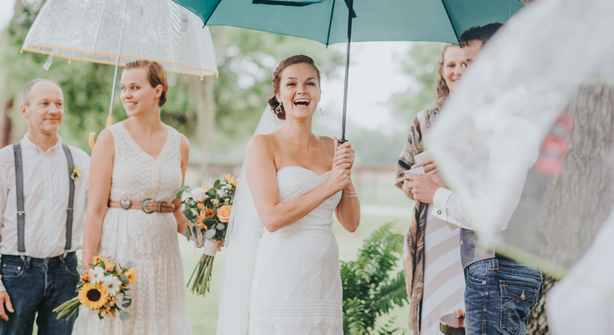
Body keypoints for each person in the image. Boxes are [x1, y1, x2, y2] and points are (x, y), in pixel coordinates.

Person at [406, 23, 543, 335]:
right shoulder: (502, 121)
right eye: (461, 64)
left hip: (498, 270)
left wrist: (436, 194)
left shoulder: (512, 126)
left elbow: (493, 217)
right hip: (493, 273)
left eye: (472, 64)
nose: (464, 74)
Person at [219, 54, 360, 335]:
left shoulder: (335, 147)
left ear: (319, 94)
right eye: (291, 83)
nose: (301, 90)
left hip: (324, 278)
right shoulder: (262, 145)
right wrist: (329, 185)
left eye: (310, 84)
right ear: (278, 95)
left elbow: (351, 223)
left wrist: (346, 175)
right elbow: (271, 218)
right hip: (282, 272)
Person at [73, 60, 193, 334]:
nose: (126, 94)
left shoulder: (180, 143)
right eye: (123, 88)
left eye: (135, 87)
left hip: (164, 256)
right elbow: (95, 210)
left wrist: (202, 232)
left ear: (158, 91)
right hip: (119, 251)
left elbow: (176, 207)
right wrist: (90, 267)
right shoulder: (109, 138)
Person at [0, 79, 90, 335]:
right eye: (45, 103)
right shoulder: (6, 160)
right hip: (16, 273)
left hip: (67, 272)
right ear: (24, 110)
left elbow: (99, 212)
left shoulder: (81, 160)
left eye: (59, 104)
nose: (54, 110)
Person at [395, 43, 466, 335]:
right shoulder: (424, 121)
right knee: (435, 306)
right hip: (434, 228)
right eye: (450, 65)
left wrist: (447, 179)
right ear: (441, 71)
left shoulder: (489, 119)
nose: (457, 71)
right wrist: (422, 180)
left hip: (472, 224)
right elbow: (402, 174)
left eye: (465, 64)